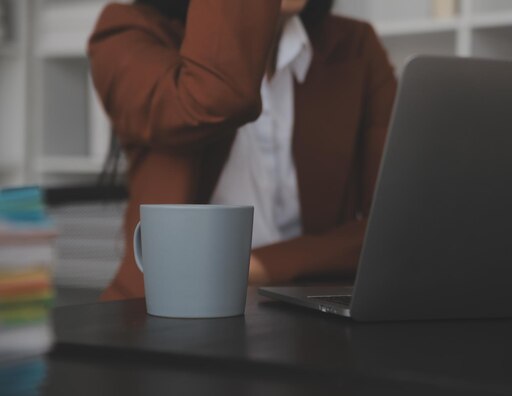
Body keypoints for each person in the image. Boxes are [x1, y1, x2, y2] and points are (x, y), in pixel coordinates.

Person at [89, 0, 397, 301]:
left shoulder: (356, 45)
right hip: (167, 309)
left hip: (304, 308)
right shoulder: (127, 33)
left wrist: (257, 266)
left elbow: (393, 222)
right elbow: (214, 99)